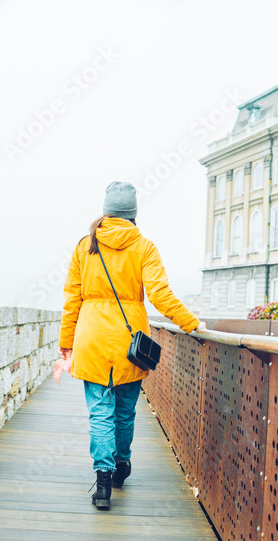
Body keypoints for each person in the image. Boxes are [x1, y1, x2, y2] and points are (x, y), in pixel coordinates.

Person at [58, 181, 206, 509]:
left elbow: (72, 299)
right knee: (125, 411)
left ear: (106, 210)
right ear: (133, 214)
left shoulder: (85, 246)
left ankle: (102, 483)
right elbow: (160, 295)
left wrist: (66, 343)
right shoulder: (144, 247)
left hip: (92, 339)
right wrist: (192, 324)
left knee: (100, 411)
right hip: (131, 343)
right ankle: (121, 465)